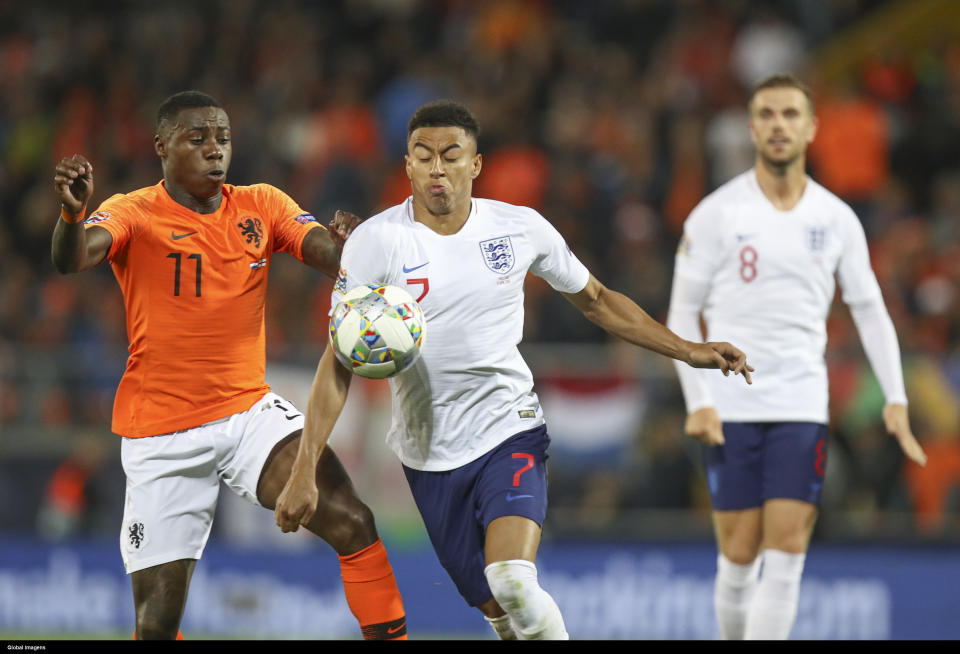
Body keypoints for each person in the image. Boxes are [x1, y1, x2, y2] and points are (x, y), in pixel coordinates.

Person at [273, 100, 754, 640]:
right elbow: (338, 363)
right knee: (501, 614)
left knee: (513, 580)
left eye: (451, 155)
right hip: (427, 453)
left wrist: (687, 348)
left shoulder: (519, 228)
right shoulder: (375, 242)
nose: (438, 169)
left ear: (475, 164)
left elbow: (596, 299)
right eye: (423, 156)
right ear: (406, 164)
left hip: (510, 430)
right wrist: (303, 469)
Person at [51, 91, 407, 641]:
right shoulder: (134, 211)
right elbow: (71, 258)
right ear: (162, 147)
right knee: (156, 621)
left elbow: (320, 250)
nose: (215, 150)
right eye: (198, 139)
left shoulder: (260, 204)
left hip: (247, 413)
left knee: (352, 520)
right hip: (160, 431)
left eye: (222, 138)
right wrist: (73, 214)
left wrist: (347, 246)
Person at [665, 73, 928, 641]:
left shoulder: (836, 219)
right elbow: (682, 314)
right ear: (751, 126)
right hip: (731, 404)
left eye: (789, 114)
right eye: (766, 114)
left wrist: (898, 398)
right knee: (738, 553)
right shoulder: (716, 213)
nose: (778, 125)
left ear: (811, 128)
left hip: (803, 402)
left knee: (786, 546)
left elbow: (870, 309)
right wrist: (700, 399)